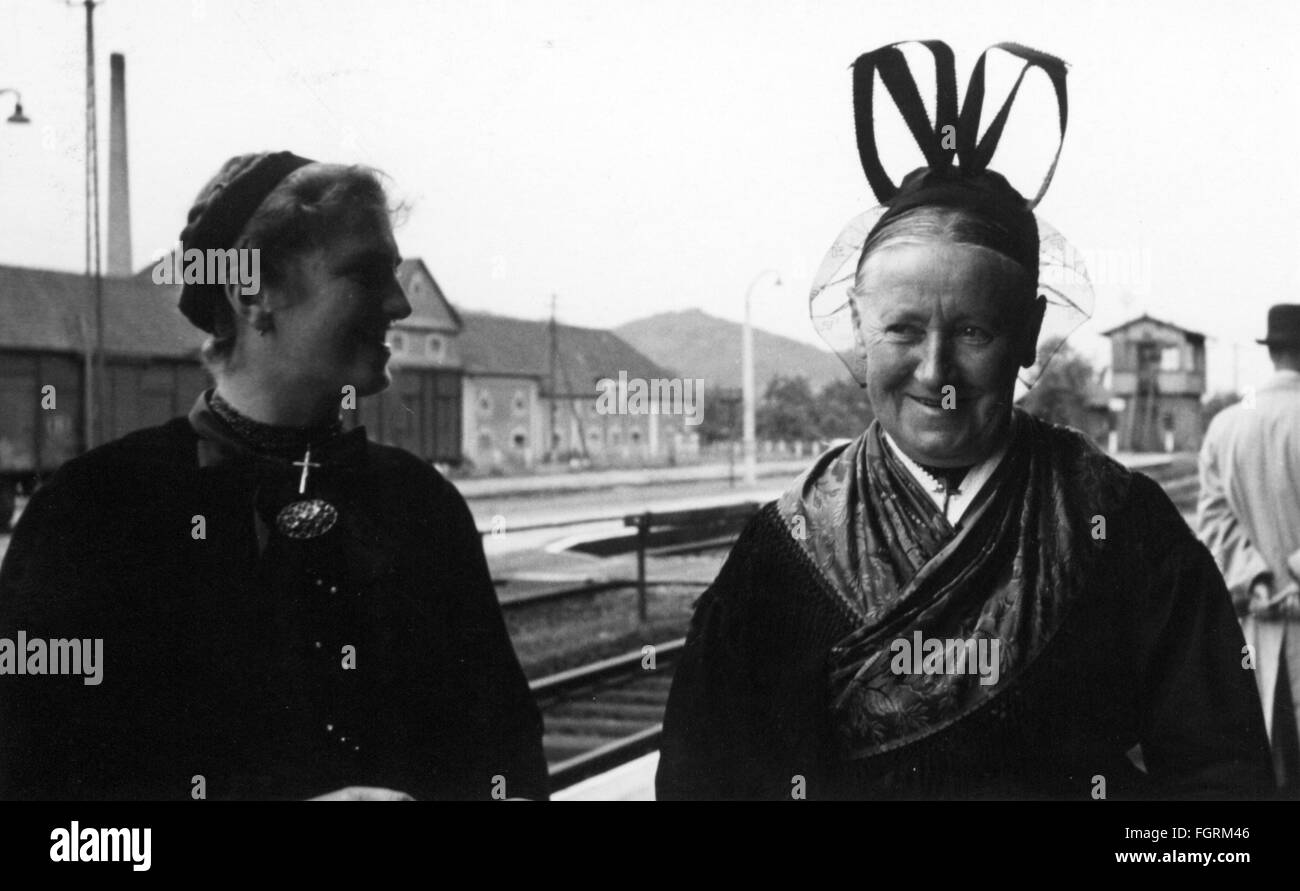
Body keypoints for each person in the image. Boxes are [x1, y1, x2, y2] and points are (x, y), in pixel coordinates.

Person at [656, 42, 1273, 800]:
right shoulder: (783, 551)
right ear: (857, 327)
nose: (936, 372)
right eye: (903, 330)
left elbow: (1224, 787)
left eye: (974, 332)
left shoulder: (1122, 528)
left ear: (1028, 331)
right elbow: (700, 780)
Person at [0, 151, 548, 800]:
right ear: (253, 293)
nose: (400, 303)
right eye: (367, 274)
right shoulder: (91, 517)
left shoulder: (426, 508)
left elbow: (513, 769)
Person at [1198, 303, 1300, 792]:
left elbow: (1214, 517)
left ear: (1273, 350)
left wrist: (1258, 579)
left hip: (1256, 629)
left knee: (1267, 772)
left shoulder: (1227, 425)